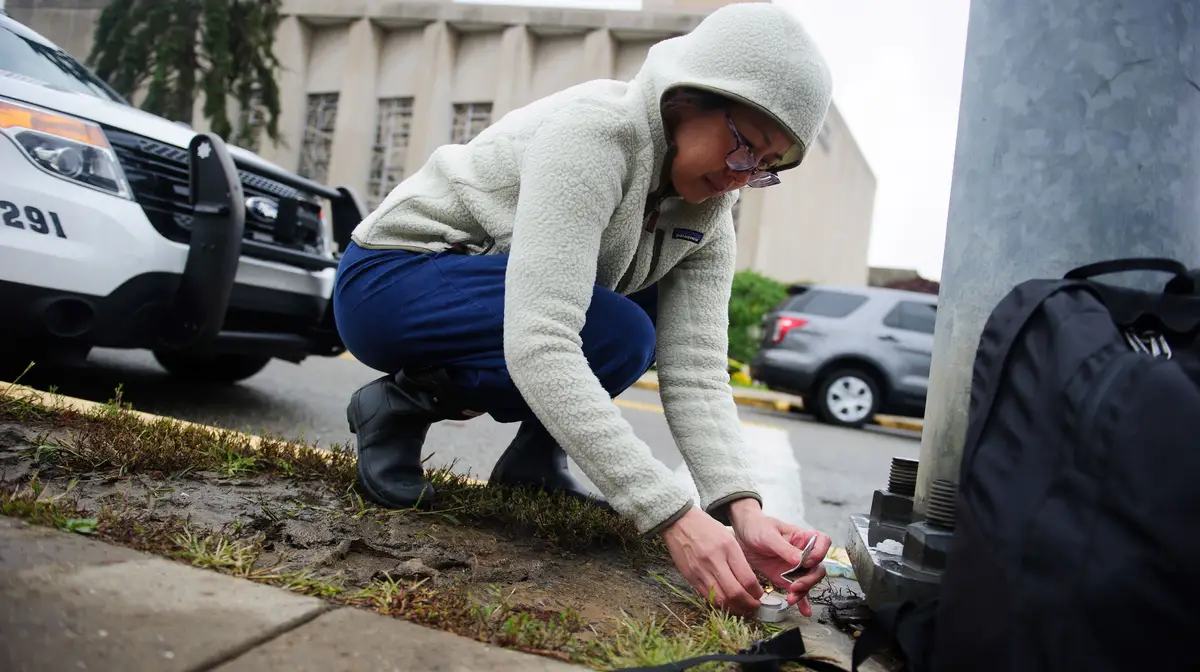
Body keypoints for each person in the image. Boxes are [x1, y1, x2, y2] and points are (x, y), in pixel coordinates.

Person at [333, 3, 834, 616]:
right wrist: (672, 515)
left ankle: (535, 461)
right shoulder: (596, 132)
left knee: (631, 326)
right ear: (689, 97)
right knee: (616, 326)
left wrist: (741, 511)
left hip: (490, 290)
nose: (741, 176)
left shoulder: (708, 214)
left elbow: (697, 370)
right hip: (393, 278)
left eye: (765, 167)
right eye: (745, 146)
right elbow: (541, 340)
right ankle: (400, 405)